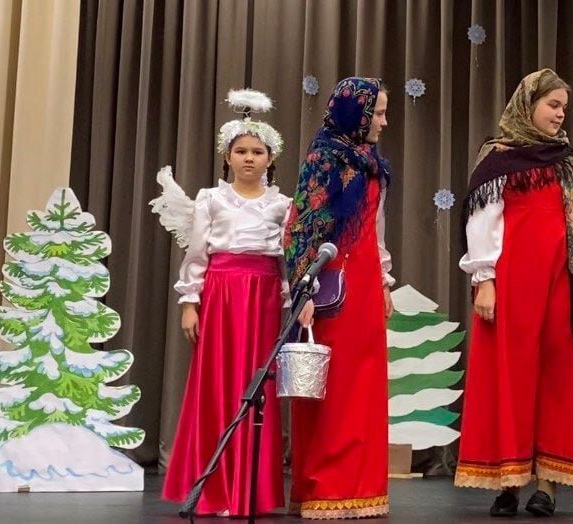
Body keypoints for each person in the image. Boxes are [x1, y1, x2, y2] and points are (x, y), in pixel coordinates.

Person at [455, 69, 573, 518]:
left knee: (559, 378)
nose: (559, 114)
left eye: (563, 107)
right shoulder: (498, 158)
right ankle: (507, 482)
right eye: (553, 105)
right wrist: (485, 279)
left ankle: (547, 485)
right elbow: (482, 221)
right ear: (528, 104)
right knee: (510, 377)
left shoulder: (569, 161)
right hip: (512, 282)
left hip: (564, 285)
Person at [154, 89, 289, 517]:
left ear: (270, 158)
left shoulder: (283, 205)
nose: (249, 158)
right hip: (222, 294)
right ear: (227, 157)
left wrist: (292, 300)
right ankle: (213, 487)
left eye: (257, 151)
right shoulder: (210, 200)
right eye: (241, 151)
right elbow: (197, 254)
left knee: (256, 386)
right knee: (217, 383)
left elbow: (286, 259)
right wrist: (189, 302)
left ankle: (252, 489)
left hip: (264, 298)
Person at [284, 77, 395, 519]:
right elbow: (301, 227)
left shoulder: (371, 162)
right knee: (334, 387)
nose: (384, 122)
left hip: (366, 280)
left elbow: (376, 227)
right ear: (357, 114)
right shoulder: (324, 160)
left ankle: (361, 487)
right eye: (379, 113)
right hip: (330, 283)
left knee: (364, 385)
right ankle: (325, 487)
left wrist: (385, 281)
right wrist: (301, 288)